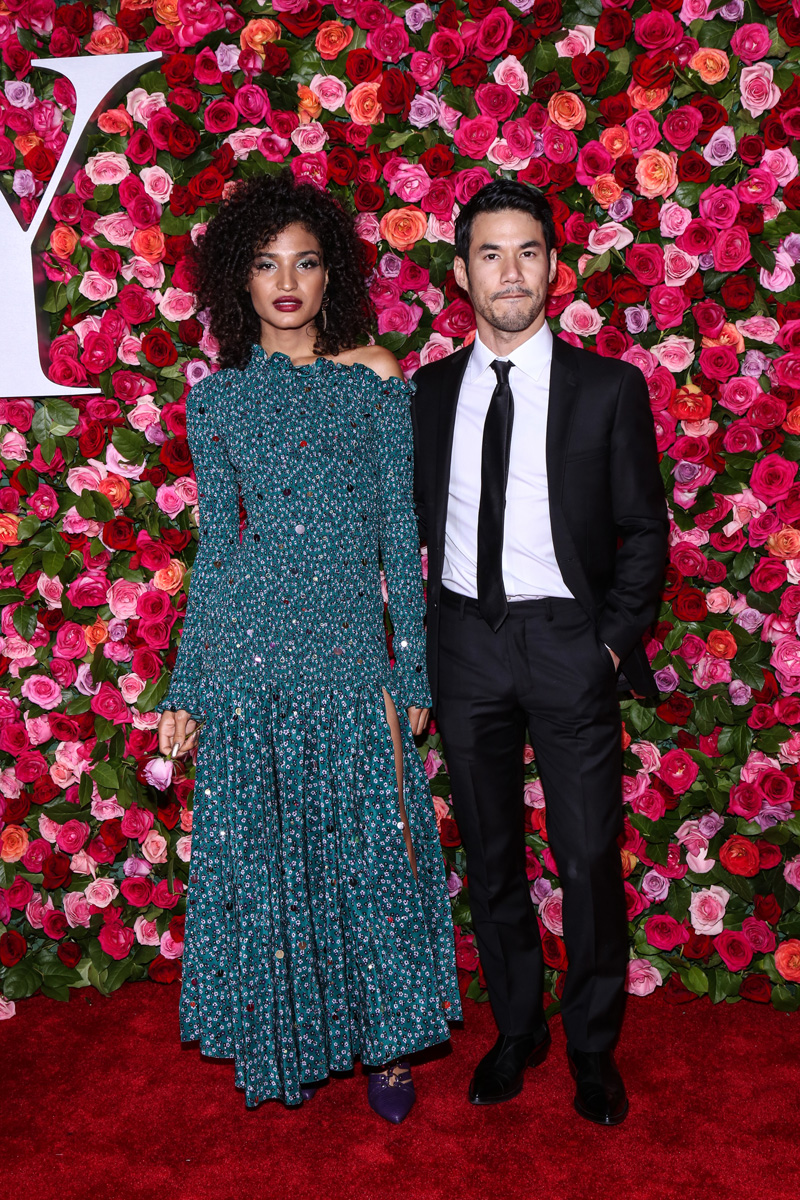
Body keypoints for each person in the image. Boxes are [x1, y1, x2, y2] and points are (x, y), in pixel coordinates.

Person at [156, 169, 461, 1123]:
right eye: (264, 264)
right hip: (250, 660)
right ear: (238, 284)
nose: (286, 280)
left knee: (372, 853)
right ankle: (287, 1032)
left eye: (306, 262)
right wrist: (186, 687)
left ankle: (390, 1042)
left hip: (344, 656)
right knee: (271, 859)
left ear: (332, 279)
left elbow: (393, 533)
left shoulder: (374, 382)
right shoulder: (215, 404)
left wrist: (408, 663)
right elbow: (219, 550)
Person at [410, 179, 668, 1126]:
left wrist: (605, 647)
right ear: (461, 273)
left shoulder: (608, 388)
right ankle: (517, 1027)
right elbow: (410, 529)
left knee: (589, 855)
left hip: (567, 642)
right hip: (466, 644)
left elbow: (644, 531)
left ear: (555, 268)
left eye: (527, 252)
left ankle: (593, 1045)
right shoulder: (429, 392)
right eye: (490, 253)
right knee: (490, 857)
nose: (509, 271)